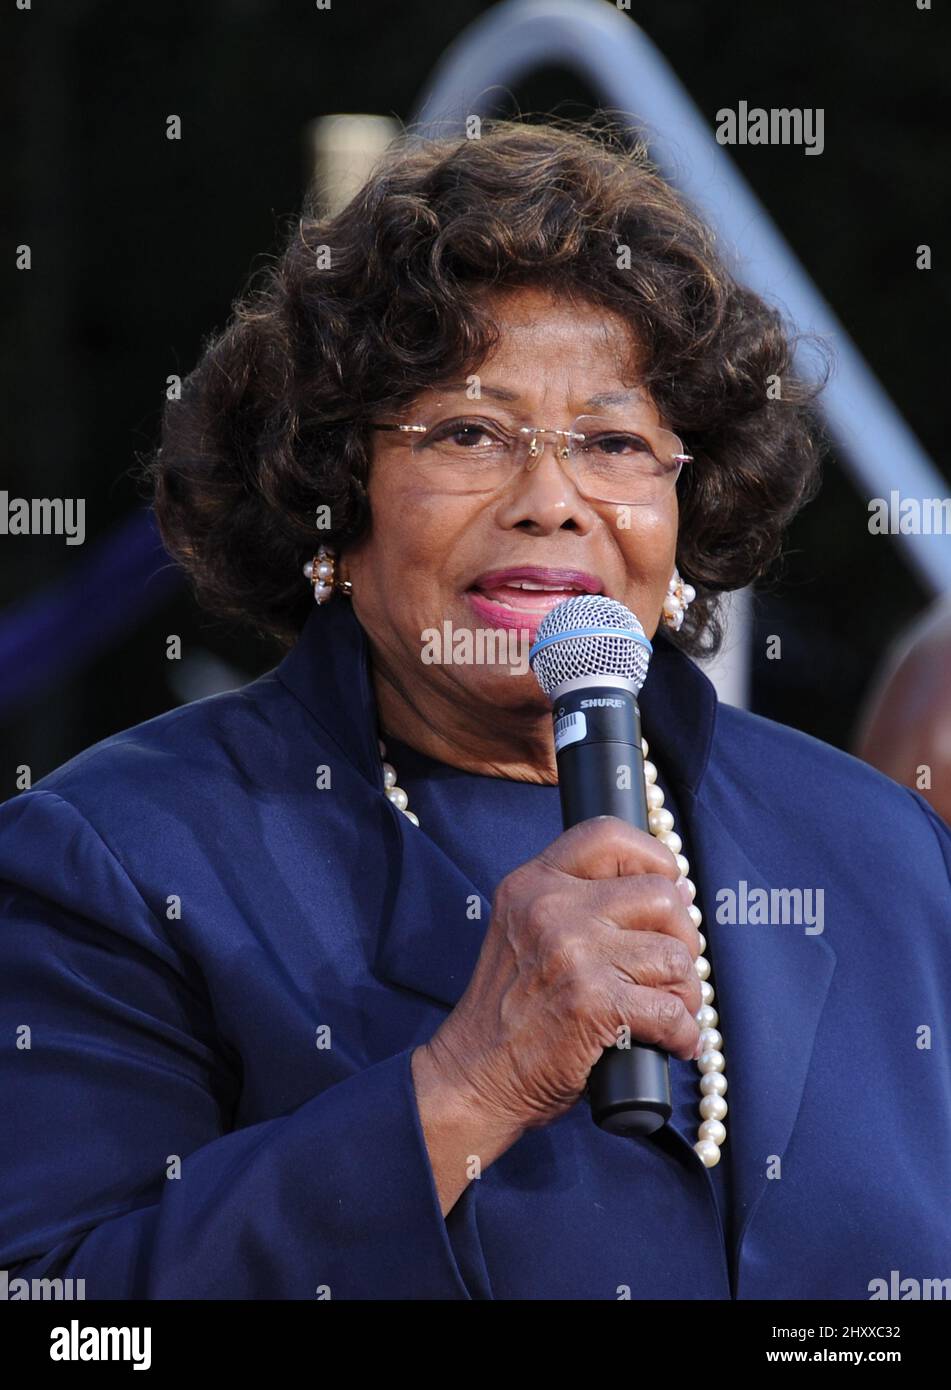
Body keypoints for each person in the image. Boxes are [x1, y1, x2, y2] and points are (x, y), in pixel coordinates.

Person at [1, 119, 949, 1301]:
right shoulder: (123, 858)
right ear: (332, 501)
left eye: (612, 441)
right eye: (468, 432)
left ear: (686, 505)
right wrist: (471, 1083)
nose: (552, 499)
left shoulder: (876, 847)